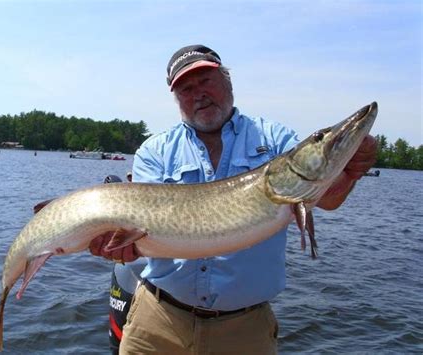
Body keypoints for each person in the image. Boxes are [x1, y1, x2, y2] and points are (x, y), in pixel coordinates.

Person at [89, 44, 377, 354]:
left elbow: (327, 199)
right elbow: (138, 232)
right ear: (177, 100)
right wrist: (118, 246)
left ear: (228, 82)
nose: (199, 93)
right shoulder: (154, 151)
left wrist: (350, 172)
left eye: (206, 81)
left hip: (245, 331)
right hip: (158, 321)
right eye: (186, 88)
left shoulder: (276, 139)